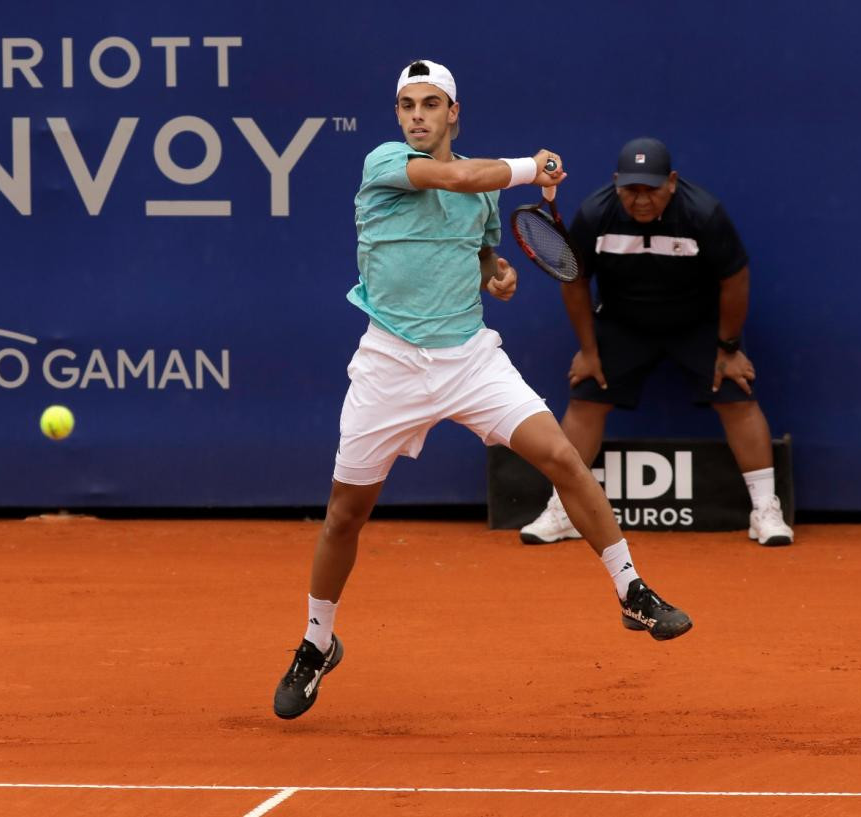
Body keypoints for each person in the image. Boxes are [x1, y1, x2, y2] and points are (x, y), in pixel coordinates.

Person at [272, 61, 693, 721]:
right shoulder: (385, 161)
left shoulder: (482, 191)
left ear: (453, 114)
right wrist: (535, 165)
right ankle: (316, 642)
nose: (417, 116)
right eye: (407, 105)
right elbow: (459, 175)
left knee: (561, 457)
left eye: (430, 105)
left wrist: (494, 275)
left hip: (469, 359)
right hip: (389, 362)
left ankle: (632, 589)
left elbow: (480, 251)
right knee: (344, 515)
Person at [519, 137, 794, 548]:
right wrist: (590, 351)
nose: (641, 199)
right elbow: (575, 280)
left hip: (697, 324)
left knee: (737, 392)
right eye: (631, 189)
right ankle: (564, 510)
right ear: (616, 183)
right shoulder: (596, 213)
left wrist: (729, 348)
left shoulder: (703, 213)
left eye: (651, 188)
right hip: (621, 323)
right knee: (586, 397)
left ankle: (765, 511)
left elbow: (735, 280)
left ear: (672, 182)